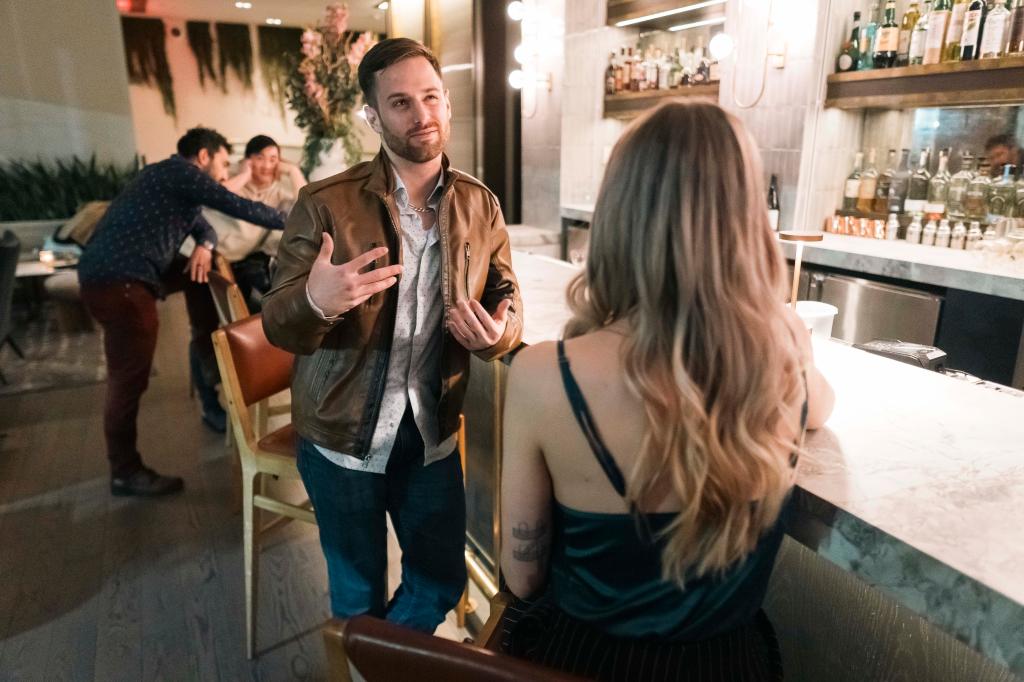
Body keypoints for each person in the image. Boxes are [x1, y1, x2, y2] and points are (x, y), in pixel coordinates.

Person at [500, 101, 835, 681]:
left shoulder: (542, 375)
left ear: (618, 214)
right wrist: (782, 325)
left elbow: (522, 577)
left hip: (582, 661)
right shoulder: (783, 354)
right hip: (728, 665)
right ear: (747, 219)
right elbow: (821, 410)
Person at [262, 38, 522, 633]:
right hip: (341, 432)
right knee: (355, 592)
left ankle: (376, 662)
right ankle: (370, 654)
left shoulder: (481, 206)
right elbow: (277, 321)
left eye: (431, 97)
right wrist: (314, 301)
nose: (421, 115)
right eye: (401, 103)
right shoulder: (325, 203)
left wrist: (498, 336)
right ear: (373, 118)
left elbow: (508, 300)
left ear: (448, 103)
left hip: (431, 431)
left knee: (439, 580)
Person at [78, 127, 286, 497]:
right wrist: (298, 218)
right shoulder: (180, 173)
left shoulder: (171, 182)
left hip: (116, 276)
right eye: (223, 164)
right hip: (121, 283)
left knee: (197, 274)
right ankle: (125, 471)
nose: (225, 173)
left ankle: (207, 351)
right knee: (128, 382)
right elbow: (236, 205)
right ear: (203, 157)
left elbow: (205, 227)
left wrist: (205, 246)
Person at [205, 134, 307, 311]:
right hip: (210, 258)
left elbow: (306, 209)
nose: (267, 165)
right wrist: (245, 174)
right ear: (247, 160)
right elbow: (213, 197)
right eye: (260, 158)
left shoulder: (277, 192)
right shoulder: (232, 176)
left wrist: (293, 171)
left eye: (273, 159)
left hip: (242, 262)